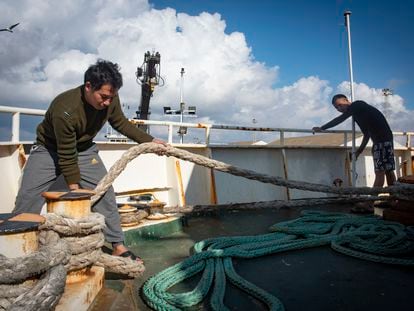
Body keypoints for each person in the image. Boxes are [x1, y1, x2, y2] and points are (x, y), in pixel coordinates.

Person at [13, 59, 167, 262]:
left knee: (105, 195)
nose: (107, 103)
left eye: (111, 98)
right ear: (88, 86)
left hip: (85, 150)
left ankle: (118, 245)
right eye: (103, 97)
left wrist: (150, 141)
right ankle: (17, 248)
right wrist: (75, 189)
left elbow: (120, 122)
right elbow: (66, 155)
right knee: (27, 199)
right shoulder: (65, 109)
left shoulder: (109, 96)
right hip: (49, 149)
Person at [313, 93, 396, 190]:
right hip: (382, 141)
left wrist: (322, 128)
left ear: (346, 100)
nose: (339, 109)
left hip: (382, 141)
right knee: (388, 171)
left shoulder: (357, 105)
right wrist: (358, 152)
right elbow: (366, 134)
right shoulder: (357, 115)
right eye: (336, 108)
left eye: (340, 105)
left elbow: (340, 119)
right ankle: (393, 200)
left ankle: (370, 203)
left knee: (379, 172)